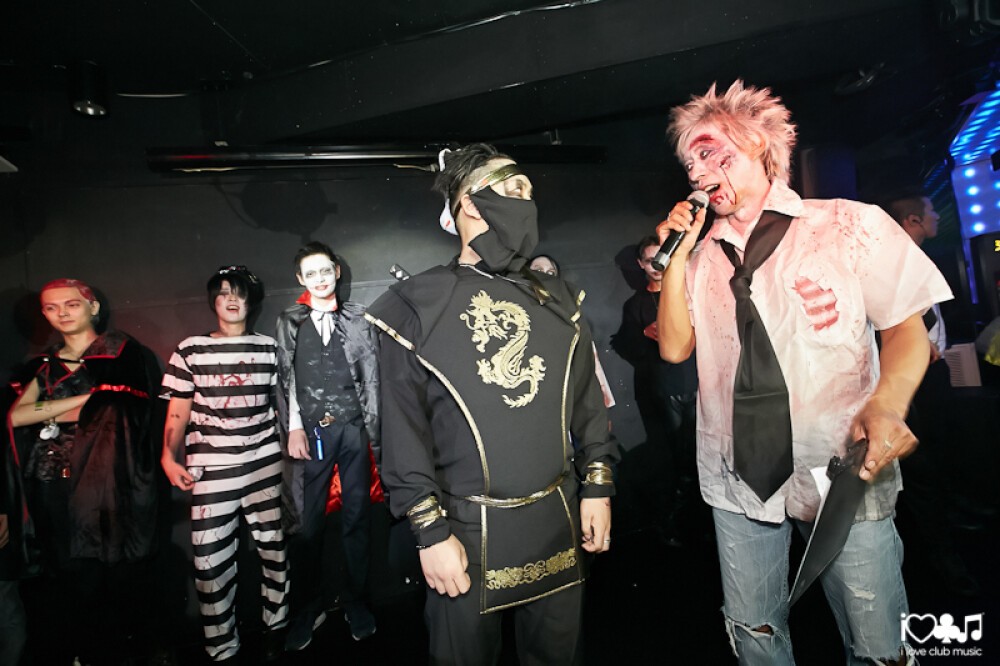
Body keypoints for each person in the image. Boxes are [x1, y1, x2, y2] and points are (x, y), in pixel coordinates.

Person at [655, 81, 952, 665]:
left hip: (839, 463)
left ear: (761, 146)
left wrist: (888, 403)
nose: (700, 172)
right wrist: (677, 256)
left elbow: (905, 327)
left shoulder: (846, 224)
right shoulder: (701, 257)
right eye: (691, 163)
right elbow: (673, 348)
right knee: (754, 632)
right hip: (736, 471)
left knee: (876, 640)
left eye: (713, 154)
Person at [367, 143, 618, 665]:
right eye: (512, 188)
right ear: (469, 204)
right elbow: (403, 435)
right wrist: (430, 533)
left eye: (528, 190)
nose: (526, 200)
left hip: (558, 520)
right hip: (465, 533)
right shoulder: (416, 309)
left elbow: (587, 406)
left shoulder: (560, 300)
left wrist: (598, 487)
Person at [7, 278, 160, 664]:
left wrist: (50, 411)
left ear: (93, 307)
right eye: (51, 307)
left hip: (103, 484)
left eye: (71, 304)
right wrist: (90, 399)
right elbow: (15, 417)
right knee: (64, 574)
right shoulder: (41, 365)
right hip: (48, 485)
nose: (61, 313)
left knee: (105, 571)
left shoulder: (121, 352)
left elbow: (119, 410)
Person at [160, 266, 288, 663]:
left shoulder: (270, 348)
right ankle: (221, 646)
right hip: (211, 468)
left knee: (274, 549)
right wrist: (168, 456)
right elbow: (178, 411)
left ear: (252, 301)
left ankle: (276, 627)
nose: (232, 299)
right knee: (210, 560)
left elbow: (285, 407)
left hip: (264, 461)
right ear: (213, 301)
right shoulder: (190, 349)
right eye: (224, 292)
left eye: (240, 293)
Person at [274, 241, 380, 648]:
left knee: (357, 518)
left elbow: (372, 376)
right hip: (311, 432)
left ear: (336, 271)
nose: (319, 279)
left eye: (324, 270)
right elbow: (286, 378)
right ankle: (308, 606)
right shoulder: (290, 320)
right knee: (307, 525)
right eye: (310, 273)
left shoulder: (358, 318)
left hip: (354, 429)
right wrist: (294, 428)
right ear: (300, 279)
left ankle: (356, 601)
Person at [884, 193, 980, 596]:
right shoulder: (888, 260)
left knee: (940, 452)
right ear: (912, 220)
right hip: (912, 375)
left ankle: (950, 521)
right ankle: (940, 559)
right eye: (930, 211)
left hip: (932, 372)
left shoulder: (916, 257)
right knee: (920, 465)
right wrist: (918, 344)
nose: (938, 215)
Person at [611, 235, 700, 546]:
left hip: (701, 384)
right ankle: (680, 525)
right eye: (650, 260)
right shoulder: (636, 304)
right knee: (678, 460)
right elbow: (625, 345)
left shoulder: (689, 291)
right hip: (666, 390)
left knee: (704, 457)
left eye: (661, 257)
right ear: (641, 264)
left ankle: (700, 523)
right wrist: (644, 335)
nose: (657, 266)